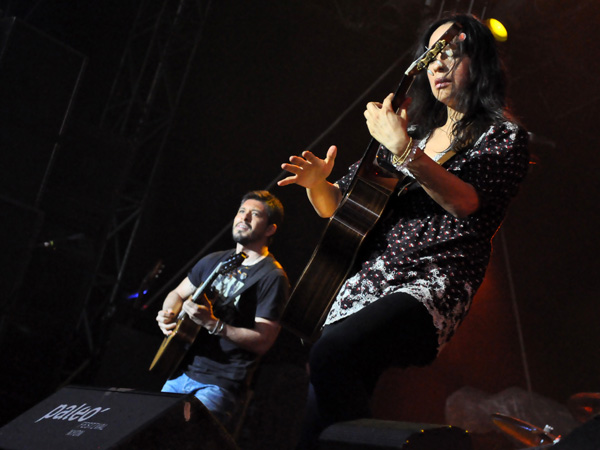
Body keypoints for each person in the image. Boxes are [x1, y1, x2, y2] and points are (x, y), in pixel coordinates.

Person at [278, 13, 530, 449]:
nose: (438, 66)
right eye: (431, 56)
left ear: (482, 63)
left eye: (451, 54)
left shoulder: (501, 136)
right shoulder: (413, 131)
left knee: (330, 354)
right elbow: (339, 208)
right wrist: (317, 184)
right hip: (370, 279)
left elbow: (464, 202)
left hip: (431, 282)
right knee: (321, 398)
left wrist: (405, 151)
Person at [156, 190, 290, 429]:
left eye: (255, 214)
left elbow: (263, 341)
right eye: (241, 211)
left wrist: (213, 324)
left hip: (219, 384)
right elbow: (176, 294)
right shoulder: (215, 260)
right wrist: (168, 314)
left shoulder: (272, 276)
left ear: (270, 229)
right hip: (180, 372)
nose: (244, 218)